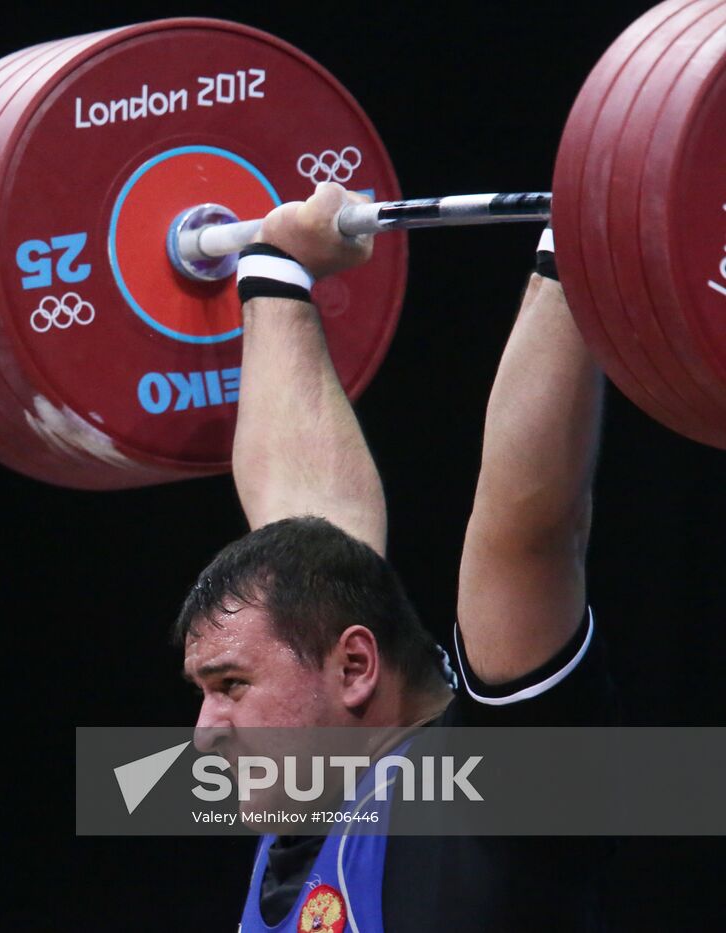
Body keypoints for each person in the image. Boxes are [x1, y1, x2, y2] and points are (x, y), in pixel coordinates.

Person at [176, 182, 615, 931]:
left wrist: (585, 245)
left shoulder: (482, 803)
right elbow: (307, 536)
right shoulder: (309, 801)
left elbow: (527, 531)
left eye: (231, 683)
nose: (205, 729)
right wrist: (274, 266)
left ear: (355, 668)